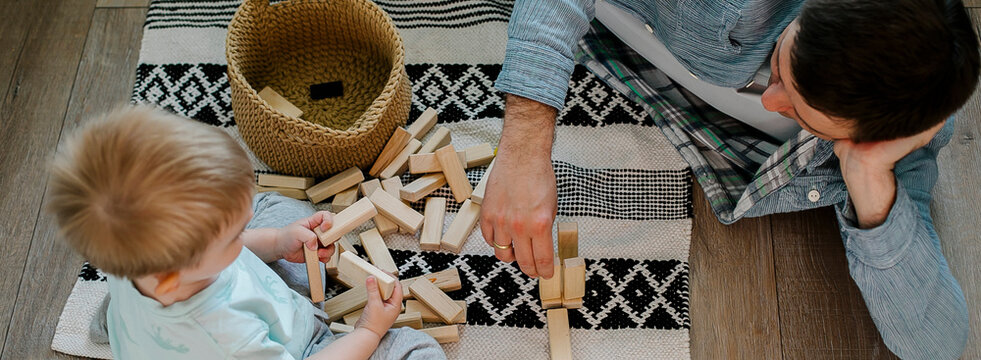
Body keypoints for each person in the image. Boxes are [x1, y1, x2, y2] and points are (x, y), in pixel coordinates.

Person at [482, 0, 979, 358]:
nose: (768, 101)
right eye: (783, 70)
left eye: (805, 116)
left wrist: (868, 179)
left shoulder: (899, 129)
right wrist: (524, 148)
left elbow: (937, 342)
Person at [47, 106, 445, 359]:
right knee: (416, 350)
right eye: (235, 235)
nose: (243, 235)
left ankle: (120, 324)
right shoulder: (225, 337)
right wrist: (368, 331)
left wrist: (276, 242)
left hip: (225, 300)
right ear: (170, 281)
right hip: (301, 346)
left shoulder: (131, 260)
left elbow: (230, 241)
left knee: (280, 211)